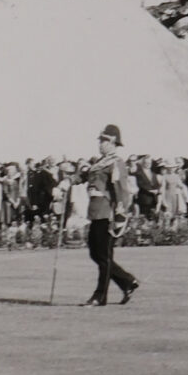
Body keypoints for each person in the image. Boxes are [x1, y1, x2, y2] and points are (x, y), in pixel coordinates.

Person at [80, 124, 139, 306]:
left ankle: (100, 296)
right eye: (101, 141)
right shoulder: (100, 162)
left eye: (104, 141)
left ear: (113, 142)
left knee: (104, 256)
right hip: (96, 212)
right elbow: (86, 177)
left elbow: (121, 191)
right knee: (95, 254)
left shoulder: (116, 163)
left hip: (107, 213)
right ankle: (127, 281)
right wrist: (66, 183)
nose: (101, 144)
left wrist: (120, 216)